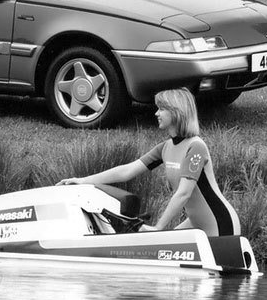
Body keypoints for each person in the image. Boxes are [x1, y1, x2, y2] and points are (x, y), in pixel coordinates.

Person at [57, 87, 240, 236]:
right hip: (196, 223)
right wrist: (82, 180)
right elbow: (127, 171)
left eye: (161, 109)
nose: (156, 113)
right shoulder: (165, 148)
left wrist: (158, 228)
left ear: (177, 112)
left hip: (221, 225)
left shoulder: (196, 147)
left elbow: (183, 194)